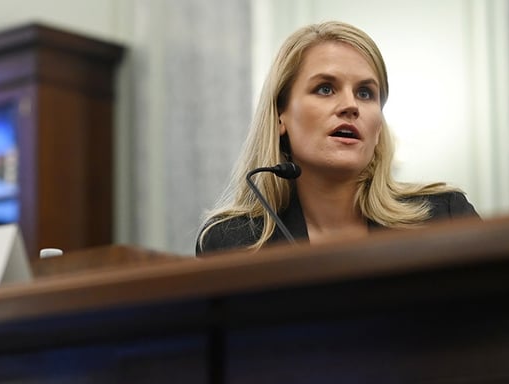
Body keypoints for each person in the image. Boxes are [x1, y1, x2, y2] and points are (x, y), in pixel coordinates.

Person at [196, 21, 479, 255]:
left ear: (378, 126)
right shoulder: (231, 242)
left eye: (365, 93)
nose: (350, 105)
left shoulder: (445, 216)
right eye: (325, 89)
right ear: (280, 115)